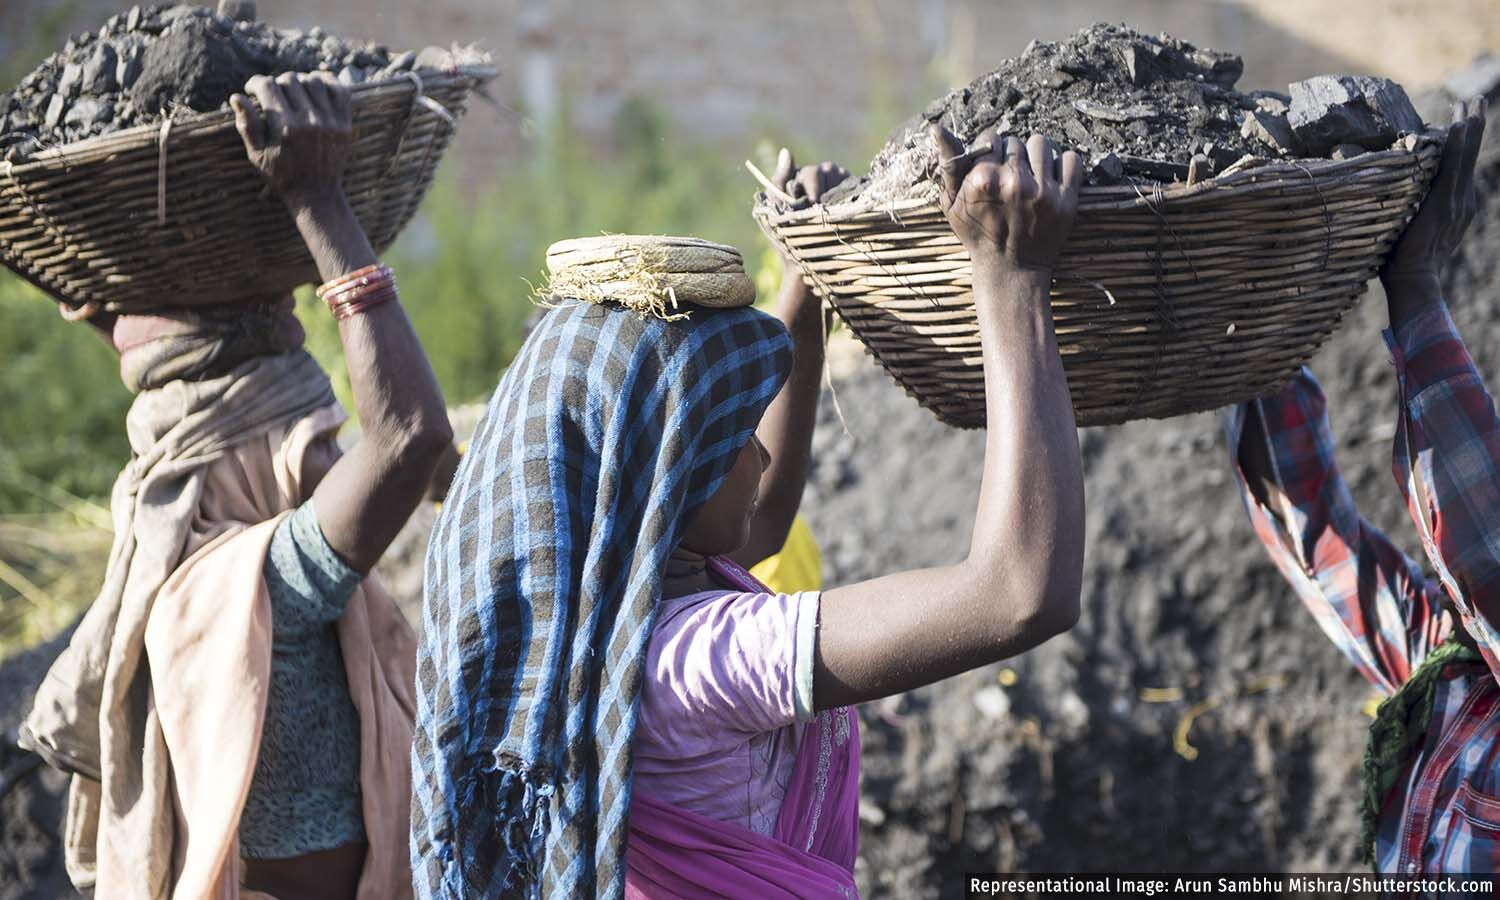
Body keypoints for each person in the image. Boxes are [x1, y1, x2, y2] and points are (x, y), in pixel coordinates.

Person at [414, 126, 1086, 898]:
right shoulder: (698, 663)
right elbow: (1018, 593)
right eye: (737, 438)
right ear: (671, 483)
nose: (761, 457)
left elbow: (757, 518)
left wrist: (799, 288)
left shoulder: (591, 625)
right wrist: (1012, 278)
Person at [22, 72, 450, 899]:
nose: (333, 462)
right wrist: (319, 199)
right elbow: (409, 436)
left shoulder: (168, 555)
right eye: (307, 443)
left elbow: (177, 377)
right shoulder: (262, 593)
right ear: (238, 463)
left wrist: (83, 267)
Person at [1226, 98, 1497, 873]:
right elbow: (1318, 538)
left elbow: (1488, 556)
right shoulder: (1457, 691)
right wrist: (1260, 328)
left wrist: (1415, 284)